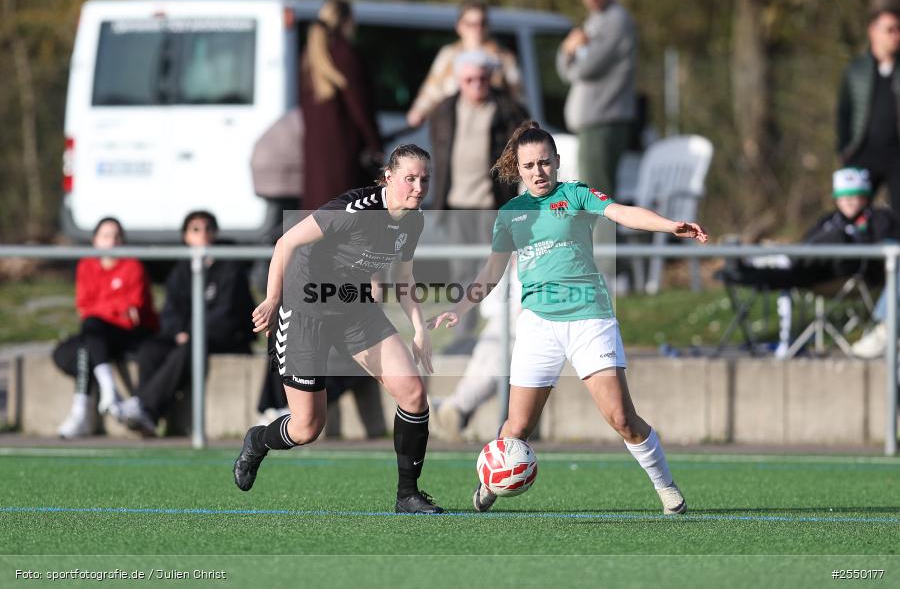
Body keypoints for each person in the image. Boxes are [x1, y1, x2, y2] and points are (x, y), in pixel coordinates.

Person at [429, 121, 707, 514]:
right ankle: (493, 479)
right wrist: (459, 308)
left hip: (589, 319)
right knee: (516, 428)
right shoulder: (511, 214)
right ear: (518, 169)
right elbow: (491, 271)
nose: (538, 172)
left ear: (557, 161)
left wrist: (669, 225)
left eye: (544, 162)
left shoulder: (575, 194)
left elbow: (621, 212)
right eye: (529, 165)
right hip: (538, 326)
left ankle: (666, 487)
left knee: (621, 418)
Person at [233, 144, 443, 515]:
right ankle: (259, 440)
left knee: (412, 393)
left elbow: (403, 277)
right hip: (304, 311)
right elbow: (286, 242)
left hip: (354, 309)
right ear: (388, 177)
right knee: (307, 427)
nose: (418, 187)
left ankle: (407, 495)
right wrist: (272, 300)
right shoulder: (354, 210)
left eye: (424, 179)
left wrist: (419, 329)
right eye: (409, 178)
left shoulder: (414, 220)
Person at [720, 168, 900, 357]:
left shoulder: (880, 218)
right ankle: (750, 268)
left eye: (854, 196)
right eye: (843, 196)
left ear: (865, 197)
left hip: (855, 274)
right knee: (788, 274)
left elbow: (890, 247)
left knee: (837, 236)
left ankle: (777, 258)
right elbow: (806, 245)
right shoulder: (829, 220)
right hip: (819, 271)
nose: (848, 201)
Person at [111, 211, 256, 434]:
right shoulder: (181, 270)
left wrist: (192, 333)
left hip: (226, 337)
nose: (203, 234)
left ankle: (145, 406)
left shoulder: (230, 267)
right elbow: (171, 310)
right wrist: (179, 331)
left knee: (190, 348)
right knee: (150, 350)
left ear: (215, 233)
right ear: (186, 236)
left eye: (208, 229)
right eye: (195, 229)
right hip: (188, 335)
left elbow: (226, 314)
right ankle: (147, 417)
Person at [429, 49, 528, 351]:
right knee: (461, 270)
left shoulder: (508, 110)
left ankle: (494, 337)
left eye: (482, 79)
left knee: (493, 269)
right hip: (456, 203)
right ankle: (463, 334)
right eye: (469, 79)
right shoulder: (444, 110)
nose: (476, 85)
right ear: (459, 80)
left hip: (492, 204)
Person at [53, 217, 158, 438]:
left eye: (117, 236)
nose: (112, 241)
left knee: (90, 333)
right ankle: (107, 394)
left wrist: (102, 309)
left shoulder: (132, 266)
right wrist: (114, 308)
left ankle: (83, 412)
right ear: (95, 240)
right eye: (106, 236)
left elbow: (132, 312)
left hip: (130, 335)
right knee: (75, 346)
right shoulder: (86, 266)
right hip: (98, 335)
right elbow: (84, 307)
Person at [299, 0, 381, 211]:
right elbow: (359, 107)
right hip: (344, 151)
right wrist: (375, 143)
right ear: (346, 21)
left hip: (317, 151)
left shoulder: (311, 54)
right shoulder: (344, 53)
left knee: (319, 214)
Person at [556, 0, 636, 195]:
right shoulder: (596, 19)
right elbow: (567, 72)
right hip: (594, 126)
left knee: (597, 200)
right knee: (592, 199)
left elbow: (583, 69)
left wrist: (568, 50)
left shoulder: (615, 20)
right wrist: (568, 50)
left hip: (602, 125)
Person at [430, 265, 521, 442]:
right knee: (479, 364)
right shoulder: (506, 267)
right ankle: (453, 408)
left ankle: (453, 407)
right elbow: (488, 307)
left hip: (524, 322)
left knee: (493, 368)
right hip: (499, 321)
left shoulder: (540, 260)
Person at [406, 0, 521, 128]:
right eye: (471, 24)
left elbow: (518, 98)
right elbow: (432, 90)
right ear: (459, 26)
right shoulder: (448, 55)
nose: (477, 29)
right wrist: (419, 111)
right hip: (453, 126)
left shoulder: (503, 59)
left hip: (493, 127)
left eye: (482, 23)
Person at [837, 7, 900, 212]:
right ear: (873, 31)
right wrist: (844, 150)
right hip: (863, 153)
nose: (896, 36)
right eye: (890, 30)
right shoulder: (856, 70)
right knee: (855, 213)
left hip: (896, 155)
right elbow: (844, 113)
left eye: (898, 30)